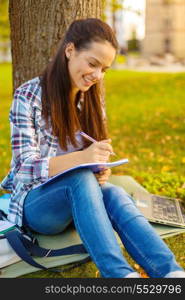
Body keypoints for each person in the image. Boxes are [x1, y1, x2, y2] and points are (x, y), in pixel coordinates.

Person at [1, 18, 185, 278]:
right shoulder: (28, 96)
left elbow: (90, 162)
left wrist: (100, 168)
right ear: (70, 51)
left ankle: (171, 274)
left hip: (79, 199)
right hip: (36, 206)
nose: (97, 75)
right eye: (92, 64)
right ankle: (118, 275)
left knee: (115, 194)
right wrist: (81, 160)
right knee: (79, 177)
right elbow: (23, 169)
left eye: (105, 69)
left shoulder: (91, 99)